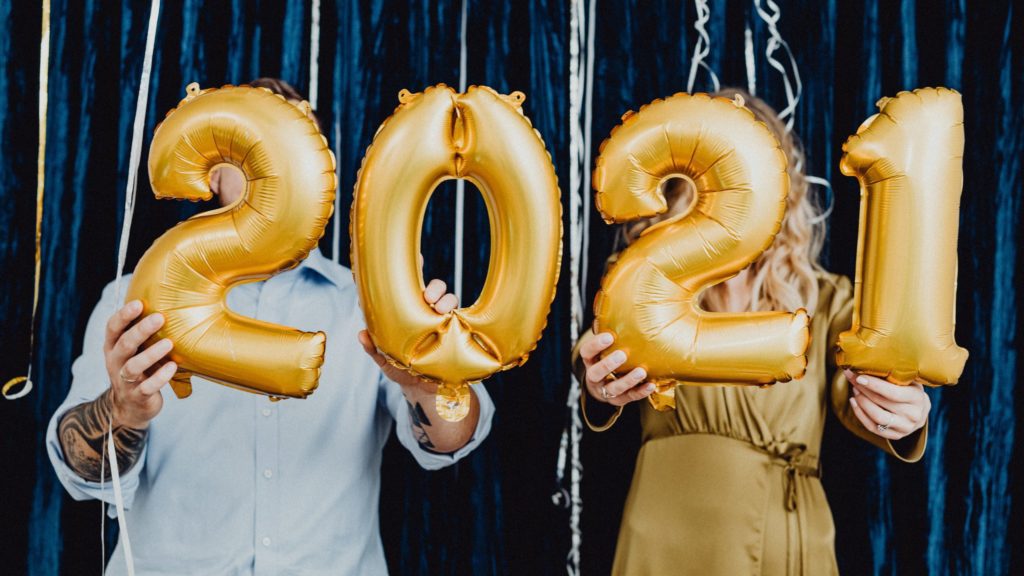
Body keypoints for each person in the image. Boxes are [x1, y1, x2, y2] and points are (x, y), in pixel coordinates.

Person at [47, 78, 494, 576]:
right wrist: (123, 409)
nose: (275, 172)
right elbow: (80, 467)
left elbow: (454, 440)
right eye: (256, 148)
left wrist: (427, 386)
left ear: (318, 177)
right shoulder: (132, 301)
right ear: (211, 172)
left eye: (292, 150)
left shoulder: (371, 302)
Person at [574, 88, 931, 575]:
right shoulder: (641, 280)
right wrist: (599, 387)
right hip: (667, 526)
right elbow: (594, 361)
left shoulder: (827, 299)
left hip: (787, 531)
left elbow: (864, 389)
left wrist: (900, 415)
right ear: (688, 180)